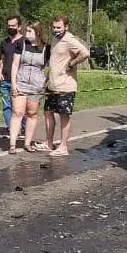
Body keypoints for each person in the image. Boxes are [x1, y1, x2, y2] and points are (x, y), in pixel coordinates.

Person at [42, 15, 91, 157]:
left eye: (59, 27)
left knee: (64, 116)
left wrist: (72, 63)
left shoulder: (70, 39)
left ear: (66, 27)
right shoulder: (55, 39)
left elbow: (85, 53)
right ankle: (49, 142)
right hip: (52, 84)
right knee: (48, 113)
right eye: (54, 27)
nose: (56, 30)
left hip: (65, 85)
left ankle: (63, 146)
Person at [8, 20, 48, 154]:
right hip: (21, 83)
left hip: (37, 85)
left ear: (38, 32)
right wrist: (14, 83)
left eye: (30, 31)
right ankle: (12, 144)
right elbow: (15, 65)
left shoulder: (46, 48)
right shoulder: (21, 44)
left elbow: (49, 67)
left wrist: (45, 82)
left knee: (32, 114)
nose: (27, 33)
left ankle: (27, 143)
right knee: (17, 112)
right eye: (26, 31)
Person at [0, 15, 24, 135]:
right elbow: (2, 58)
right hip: (5, 79)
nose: (10, 27)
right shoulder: (4, 42)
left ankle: (23, 127)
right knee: (6, 105)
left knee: (19, 107)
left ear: (19, 26)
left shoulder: (25, 42)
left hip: (19, 80)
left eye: (13, 25)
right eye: (9, 25)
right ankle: (10, 128)